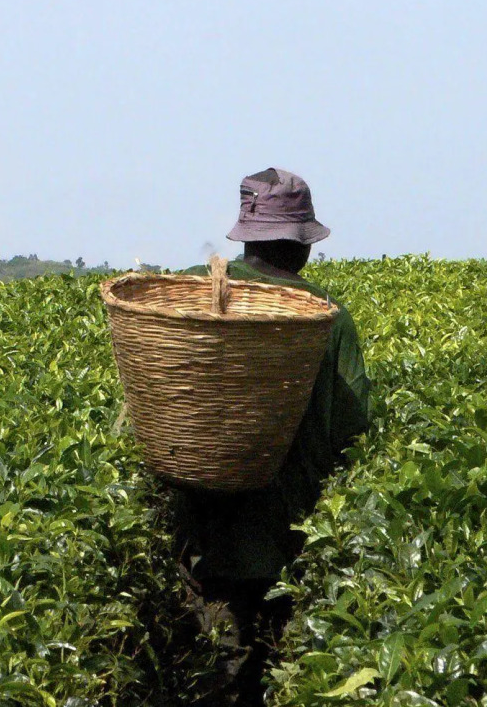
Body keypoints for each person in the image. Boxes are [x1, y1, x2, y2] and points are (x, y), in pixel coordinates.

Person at [175, 168, 372, 702]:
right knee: (281, 675)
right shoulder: (326, 319)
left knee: (215, 676)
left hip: (201, 540)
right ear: (302, 245)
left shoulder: (193, 292)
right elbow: (350, 433)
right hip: (288, 545)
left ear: (246, 237)